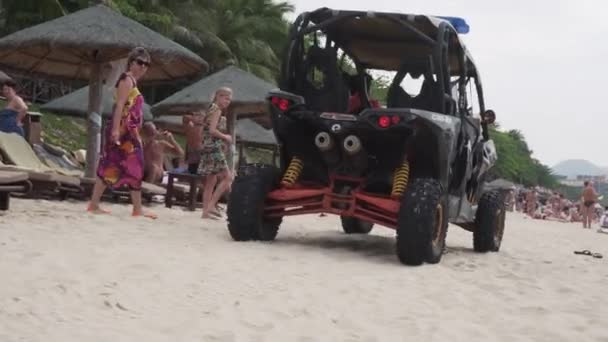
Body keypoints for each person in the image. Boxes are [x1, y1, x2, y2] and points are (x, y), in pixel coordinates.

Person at [87, 47, 156, 219]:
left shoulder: (132, 81)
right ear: (131, 62)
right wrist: (117, 129)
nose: (143, 67)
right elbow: (119, 106)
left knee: (125, 166)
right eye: (139, 62)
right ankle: (133, 209)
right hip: (123, 132)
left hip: (129, 133)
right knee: (121, 165)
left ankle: (100, 204)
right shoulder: (126, 80)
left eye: (146, 64)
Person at [198, 87, 234, 219]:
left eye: (229, 99)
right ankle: (211, 205)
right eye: (225, 98)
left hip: (207, 146)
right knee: (228, 177)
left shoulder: (210, 109)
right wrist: (226, 137)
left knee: (211, 181)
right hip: (213, 147)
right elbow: (213, 130)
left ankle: (205, 213)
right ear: (218, 96)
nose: (227, 101)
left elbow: (204, 130)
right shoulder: (217, 110)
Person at [182, 109, 205, 174]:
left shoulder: (205, 127)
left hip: (202, 153)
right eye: (197, 115)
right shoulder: (190, 126)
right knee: (192, 173)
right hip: (192, 154)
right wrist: (194, 118)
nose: (199, 117)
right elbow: (185, 118)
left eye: (200, 116)